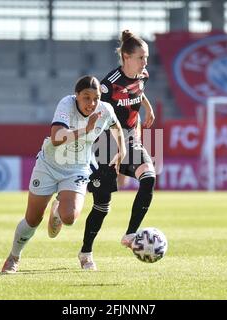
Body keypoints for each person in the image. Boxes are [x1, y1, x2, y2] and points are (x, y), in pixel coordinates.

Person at [1, 76, 126, 273]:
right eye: (86, 97)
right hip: (49, 164)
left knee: (69, 218)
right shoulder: (66, 104)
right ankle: (14, 257)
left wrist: (122, 150)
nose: (92, 103)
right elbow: (57, 138)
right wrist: (87, 129)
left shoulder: (105, 110)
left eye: (96, 98)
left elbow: (116, 126)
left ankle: (58, 210)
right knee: (33, 220)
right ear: (76, 95)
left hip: (77, 168)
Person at [78, 30, 156, 271]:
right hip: (105, 142)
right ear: (126, 57)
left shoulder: (142, 74)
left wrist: (148, 109)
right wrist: (112, 149)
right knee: (102, 205)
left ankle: (131, 234)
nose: (145, 62)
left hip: (130, 139)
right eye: (141, 57)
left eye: (146, 57)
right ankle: (86, 252)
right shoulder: (108, 84)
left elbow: (137, 92)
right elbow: (95, 113)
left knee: (149, 177)